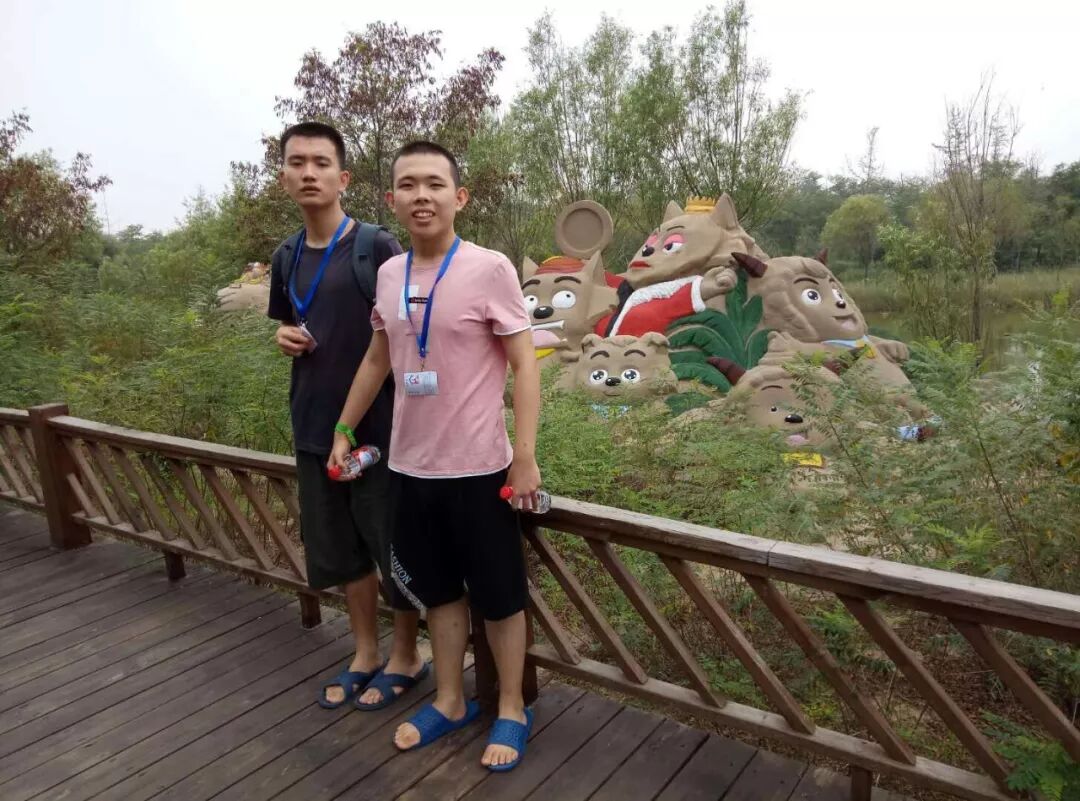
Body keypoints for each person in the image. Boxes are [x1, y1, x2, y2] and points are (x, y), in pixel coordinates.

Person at [330, 140, 541, 771]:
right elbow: (378, 357)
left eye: (434, 184)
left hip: (480, 468)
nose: (421, 196)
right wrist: (344, 426)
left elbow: (525, 363)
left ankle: (510, 707)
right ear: (391, 198)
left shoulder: (489, 268)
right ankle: (450, 700)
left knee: (500, 597)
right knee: (441, 594)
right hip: (409, 467)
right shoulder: (389, 274)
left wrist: (525, 455)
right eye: (408, 185)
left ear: (459, 197)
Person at [267, 121, 425, 712]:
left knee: (392, 547)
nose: (309, 173)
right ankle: (365, 651)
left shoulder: (375, 247)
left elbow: (403, 334)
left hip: (380, 432)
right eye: (297, 163)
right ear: (284, 177)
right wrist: (284, 336)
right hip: (314, 426)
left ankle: (406, 654)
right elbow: (292, 321)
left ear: (343, 177)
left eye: (321, 163)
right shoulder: (286, 256)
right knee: (343, 551)